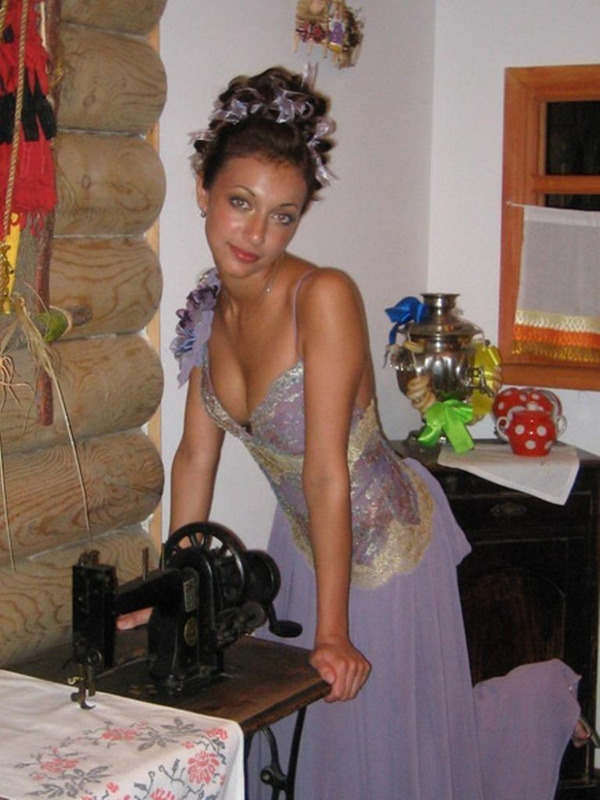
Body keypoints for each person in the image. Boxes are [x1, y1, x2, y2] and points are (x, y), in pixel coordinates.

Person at [126, 66, 594, 799]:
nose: (257, 234)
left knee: (390, 747)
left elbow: (326, 472)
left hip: (386, 545)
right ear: (202, 192)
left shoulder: (324, 295)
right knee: (316, 746)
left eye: (283, 216)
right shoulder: (207, 311)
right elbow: (194, 457)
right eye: (241, 203)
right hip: (305, 541)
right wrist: (173, 590)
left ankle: (544, 702)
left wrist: (334, 632)